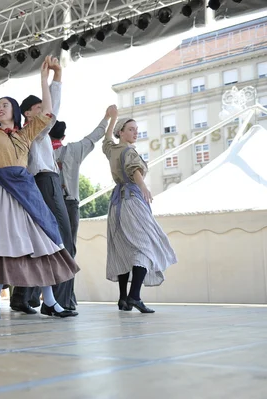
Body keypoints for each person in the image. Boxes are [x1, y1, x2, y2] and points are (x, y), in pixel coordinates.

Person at [0, 60, 80, 321]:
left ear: (15, 111)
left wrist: (45, 79)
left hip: (26, 193)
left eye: (4, 105)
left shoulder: (24, 135)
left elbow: (48, 115)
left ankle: (51, 301)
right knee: (0, 244)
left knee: (39, 242)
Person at [10, 56, 77, 316]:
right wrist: (51, 78)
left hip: (43, 184)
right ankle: (60, 301)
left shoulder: (34, 132)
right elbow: (53, 108)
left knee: (40, 241)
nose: (45, 110)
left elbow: (52, 108)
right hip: (44, 182)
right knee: (63, 241)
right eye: (39, 107)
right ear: (28, 113)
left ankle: (23, 295)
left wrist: (55, 77)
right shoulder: (32, 131)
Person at [103, 106, 177, 313]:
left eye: (136, 129)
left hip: (116, 205)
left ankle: (123, 299)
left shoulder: (112, 150)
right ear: (122, 132)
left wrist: (112, 118)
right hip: (132, 200)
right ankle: (134, 295)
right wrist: (143, 186)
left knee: (123, 249)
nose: (136, 132)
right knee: (147, 246)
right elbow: (133, 169)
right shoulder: (128, 151)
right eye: (131, 129)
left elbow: (107, 139)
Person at [47, 106, 112, 310]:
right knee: (69, 249)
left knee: (45, 249)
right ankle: (65, 298)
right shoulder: (73, 150)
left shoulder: (41, 150)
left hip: (46, 204)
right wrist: (107, 117)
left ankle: (34, 297)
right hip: (69, 203)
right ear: (64, 135)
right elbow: (94, 137)